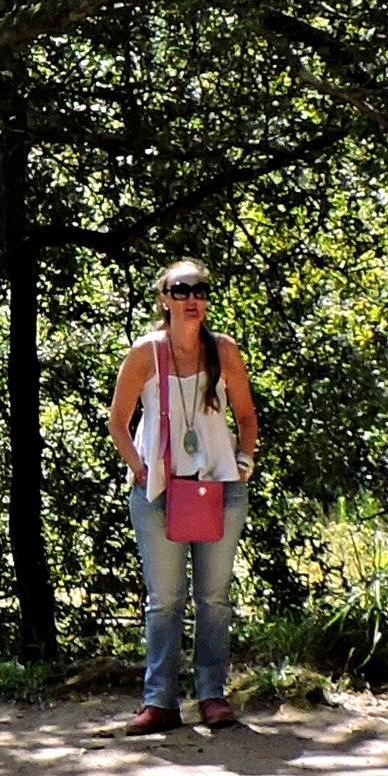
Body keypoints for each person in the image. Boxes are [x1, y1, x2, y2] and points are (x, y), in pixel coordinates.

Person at [107, 261, 263, 734]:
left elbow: (247, 415)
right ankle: (160, 702)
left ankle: (212, 696)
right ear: (164, 299)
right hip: (159, 491)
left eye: (199, 290)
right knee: (165, 599)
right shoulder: (146, 353)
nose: (192, 298)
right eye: (181, 290)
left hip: (219, 488)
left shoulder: (224, 350)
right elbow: (118, 420)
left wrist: (244, 461)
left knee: (214, 597)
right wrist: (139, 468)